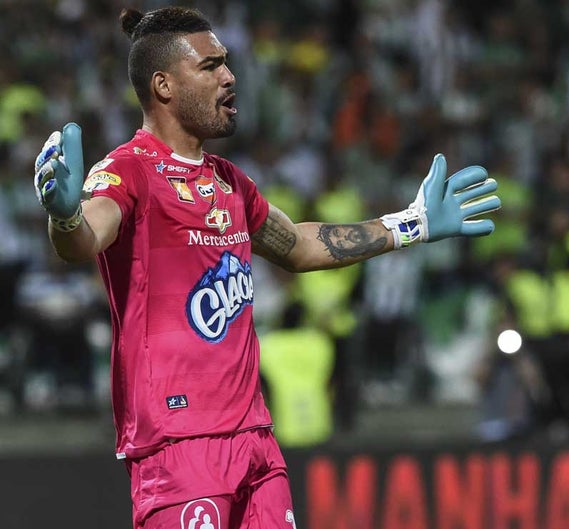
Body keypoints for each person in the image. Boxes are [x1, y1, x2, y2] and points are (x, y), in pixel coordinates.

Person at [31, 6, 500, 529]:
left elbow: (297, 245)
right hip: (178, 445)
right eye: (210, 66)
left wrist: (410, 224)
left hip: (256, 444)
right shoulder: (128, 170)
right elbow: (84, 240)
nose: (230, 77)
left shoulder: (230, 182)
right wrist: (65, 216)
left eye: (226, 63)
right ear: (163, 86)